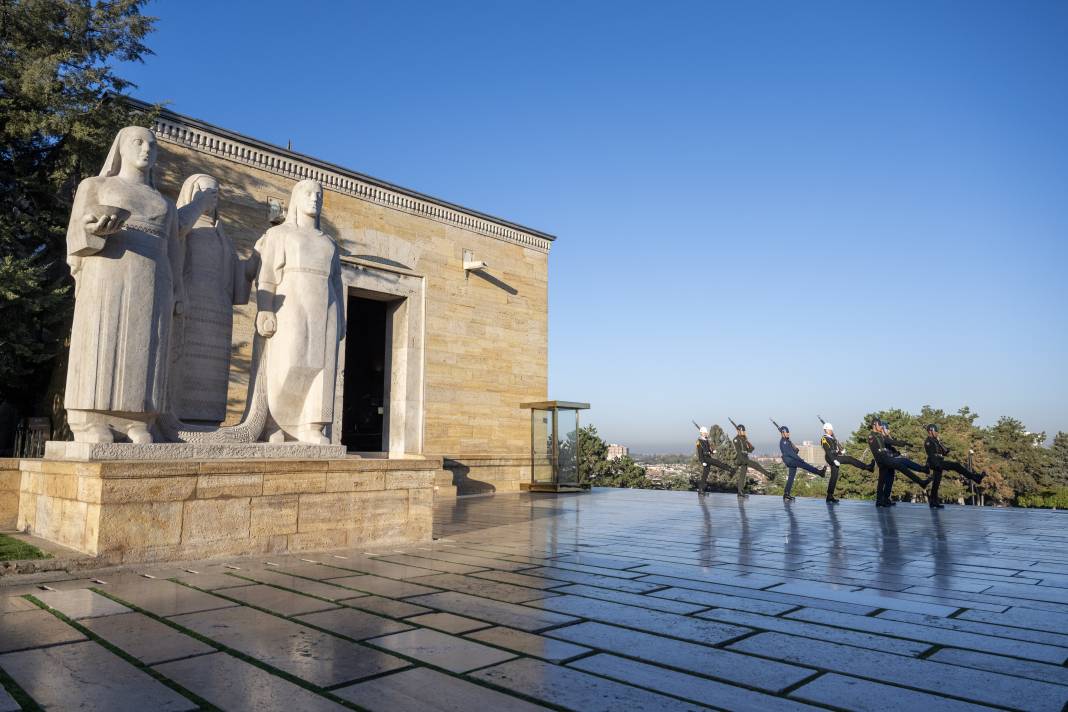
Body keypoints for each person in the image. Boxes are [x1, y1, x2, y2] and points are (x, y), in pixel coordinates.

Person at [868, 419, 929, 507]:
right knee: (902, 462)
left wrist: (904, 443)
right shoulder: (873, 436)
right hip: (884, 460)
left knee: (882, 481)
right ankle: (922, 477)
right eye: (880, 425)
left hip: (884, 460)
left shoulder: (878, 435)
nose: (881, 427)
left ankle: (879, 501)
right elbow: (882, 447)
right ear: (874, 425)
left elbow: (892, 442)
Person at [924, 424, 986, 508]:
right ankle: (976, 477)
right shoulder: (928, 441)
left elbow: (946, 452)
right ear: (931, 431)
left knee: (936, 483)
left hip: (938, 462)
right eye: (936, 431)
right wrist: (937, 464)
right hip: (935, 463)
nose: (937, 433)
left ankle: (933, 502)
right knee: (956, 465)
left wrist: (939, 443)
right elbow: (931, 455)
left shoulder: (935, 440)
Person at [820, 422, 874, 504]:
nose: (831, 431)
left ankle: (829, 496)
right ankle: (867, 467)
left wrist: (841, 452)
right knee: (850, 459)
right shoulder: (824, 439)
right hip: (831, 458)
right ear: (826, 430)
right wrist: (834, 460)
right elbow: (828, 451)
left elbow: (835, 450)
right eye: (830, 430)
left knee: (834, 476)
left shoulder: (831, 438)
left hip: (835, 457)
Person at [778, 425, 827, 501]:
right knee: (806, 465)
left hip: (791, 460)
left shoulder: (787, 441)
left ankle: (786, 494)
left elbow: (793, 451)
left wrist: (796, 450)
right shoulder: (784, 442)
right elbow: (791, 453)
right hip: (791, 460)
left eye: (788, 432)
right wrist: (800, 459)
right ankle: (820, 473)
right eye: (787, 433)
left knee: (791, 477)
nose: (788, 434)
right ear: (783, 433)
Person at [732, 423, 774, 498]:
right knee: (756, 465)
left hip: (745, 457)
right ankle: (768, 474)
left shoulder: (744, 439)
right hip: (740, 458)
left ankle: (740, 492)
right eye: (743, 431)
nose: (744, 432)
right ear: (739, 431)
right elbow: (739, 451)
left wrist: (749, 445)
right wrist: (743, 440)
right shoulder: (736, 439)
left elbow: (749, 450)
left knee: (743, 475)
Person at [695, 426, 734, 496]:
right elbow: (700, 452)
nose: (705, 434)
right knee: (717, 462)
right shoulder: (699, 441)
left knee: (705, 475)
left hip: (708, 456)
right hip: (705, 458)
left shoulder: (706, 440)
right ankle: (730, 469)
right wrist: (702, 461)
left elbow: (708, 449)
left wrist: (713, 451)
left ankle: (701, 490)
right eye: (704, 433)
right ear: (701, 433)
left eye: (706, 433)